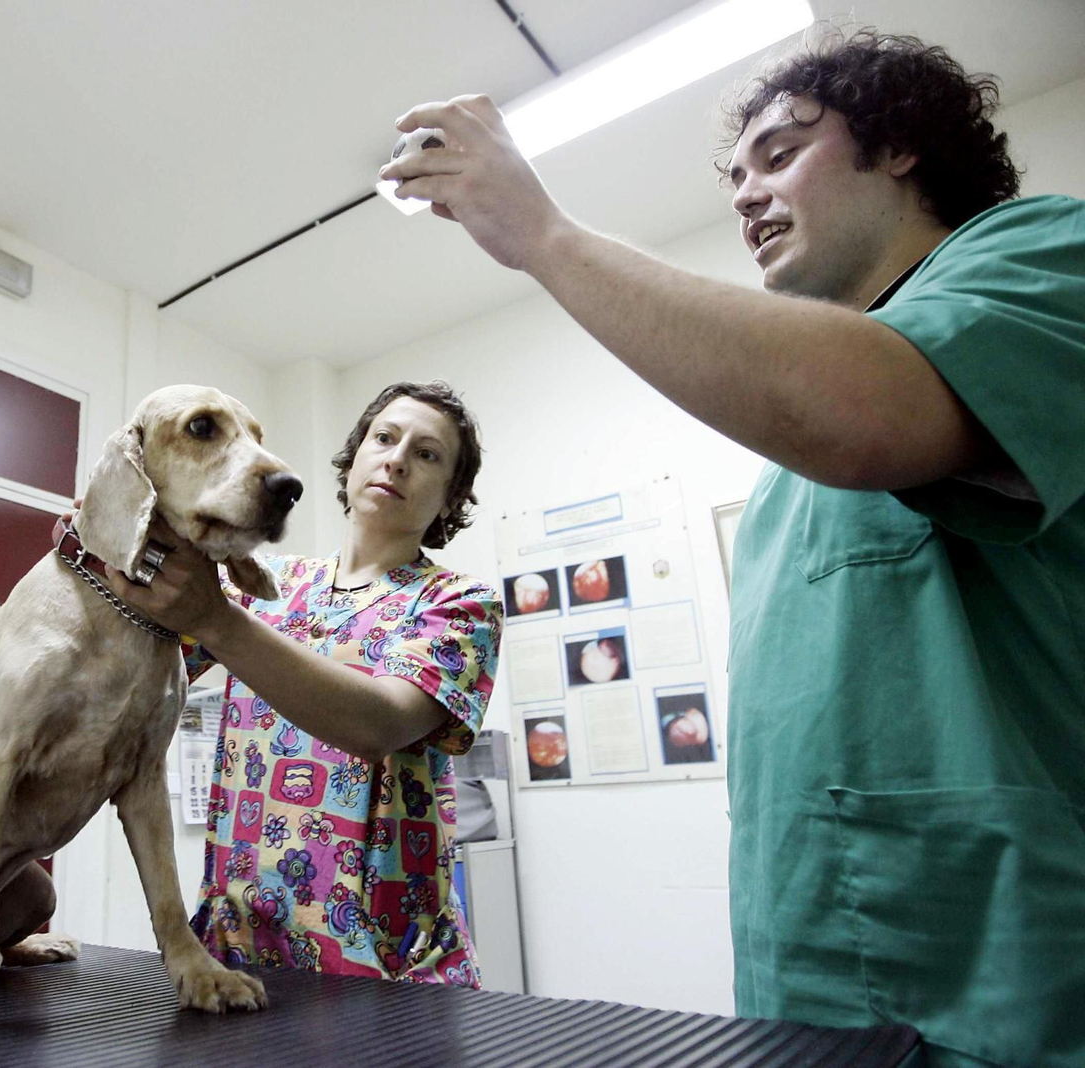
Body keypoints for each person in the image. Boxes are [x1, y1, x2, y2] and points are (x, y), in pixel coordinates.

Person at [379, 27, 1084, 1068]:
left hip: (998, 975)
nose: (746, 194)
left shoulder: (1037, 255)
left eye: (782, 152)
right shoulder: (783, 476)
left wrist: (540, 233)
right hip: (801, 969)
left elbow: (855, 410)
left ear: (897, 145)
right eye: (736, 173)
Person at [103, 381, 503, 985]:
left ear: (451, 497)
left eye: (427, 454)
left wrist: (215, 617)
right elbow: (127, 663)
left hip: (388, 966)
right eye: (385, 438)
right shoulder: (258, 582)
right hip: (237, 951)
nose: (395, 458)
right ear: (351, 462)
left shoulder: (460, 604)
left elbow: (379, 724)